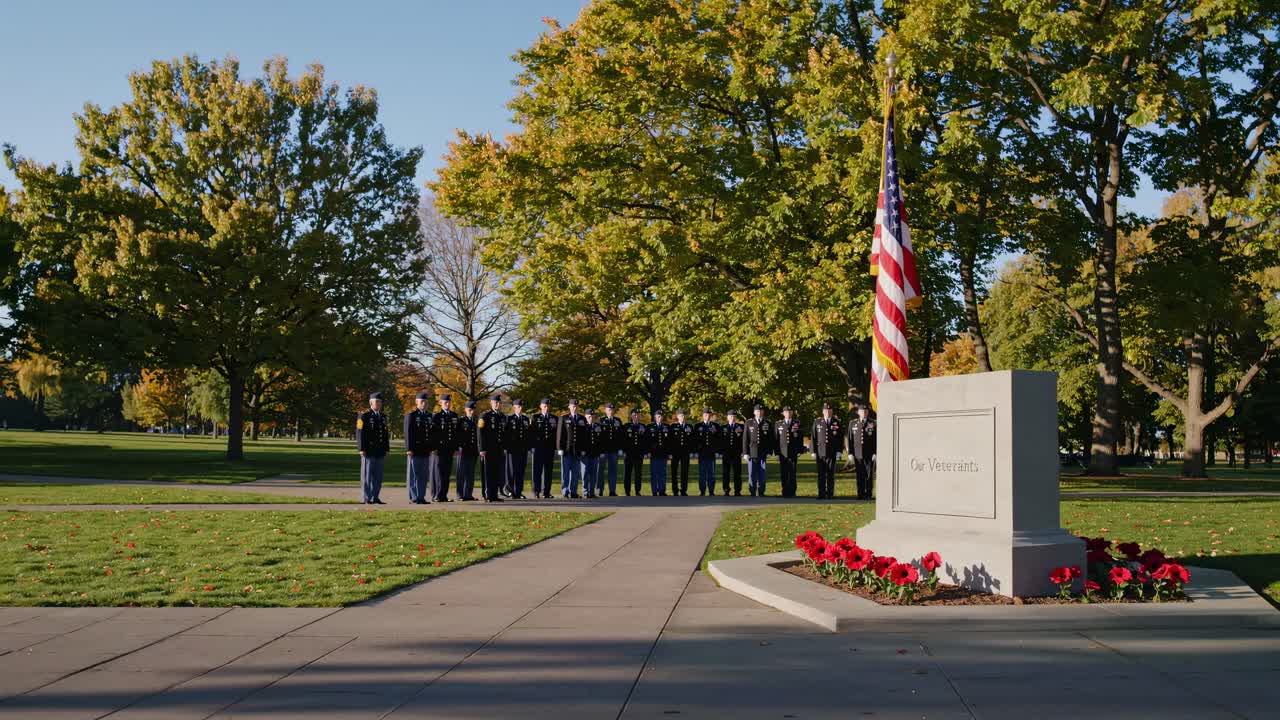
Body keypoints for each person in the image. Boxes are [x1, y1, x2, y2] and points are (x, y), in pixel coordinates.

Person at [355, 392, 390, 504]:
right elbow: (359, 433)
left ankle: (375, 497)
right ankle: (366, 497)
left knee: (378, 477)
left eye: (380, 402)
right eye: (376, 401)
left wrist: (386, 449)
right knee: (367, 476)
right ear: (370, 403)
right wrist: (361, 448)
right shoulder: (364, 416)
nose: (379, 404)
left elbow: (385, 435)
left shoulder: (383, 417)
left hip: (379, 451)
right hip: (368, 450)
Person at [403, 392, 433, 504]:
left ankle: (421, 496)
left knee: (423, 476)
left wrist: (431, 447)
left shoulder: (429, 416)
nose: (424, 403)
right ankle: (414, 497)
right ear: (417, 402)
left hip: (425, 450)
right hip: (414, 450)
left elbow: (431, 434)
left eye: (426, 401)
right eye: (422, 401)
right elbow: (408, 433)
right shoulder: (411, 415)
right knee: (414, 475)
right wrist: (409, 449)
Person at [557, 398, 589, 498]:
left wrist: (584, 449)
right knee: (566, 473)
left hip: (577, 450)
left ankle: (573, 491)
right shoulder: (564, 418)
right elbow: (560, 435)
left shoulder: (582, 419)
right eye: (572, 406)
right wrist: (559, 448)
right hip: (566, 450)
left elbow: (584, 436)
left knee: (575, 473)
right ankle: (565, 491)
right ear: (569, 407)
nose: (574, 408)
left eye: (576, 406)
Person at [478, 394, 506, 502]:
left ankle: (494, 495)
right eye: (495, 402)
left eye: (499, 403)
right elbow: (480, 433)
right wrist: (481, 449)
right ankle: (487, 495)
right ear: (491, 403)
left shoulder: (502, 416)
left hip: (498, 449)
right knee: (488, 473)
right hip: (488, 449)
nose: (497, 404)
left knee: (496, 472)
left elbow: (503, 434)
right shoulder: (485, 416)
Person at [811, 402, 842, 500]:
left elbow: (840, 438)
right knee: (821, 475)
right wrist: (813, 451)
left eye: (829, 410)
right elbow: (813, 438)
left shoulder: (837, 422)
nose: (827, 412)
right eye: (825, 410)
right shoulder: (817, 422)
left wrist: (839, 451)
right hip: (820, 453)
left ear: (832, 411)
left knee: (830, 474)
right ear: (823, 411)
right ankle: (821, 494)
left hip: (832, 452)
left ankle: (830, 494)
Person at [431, 394, 459, 502]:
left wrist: (456, 448)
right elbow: (434, 434)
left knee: (447, 473)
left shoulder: (454, 416)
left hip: (450, 449)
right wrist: (434, 447)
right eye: (445, 402)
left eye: (449, 402)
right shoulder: (437, 416)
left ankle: (444, 495)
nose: (447, 404)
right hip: (440, 449)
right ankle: (437, 494)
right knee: (439, 473)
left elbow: (456, 434)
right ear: (441, 403)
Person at [503, 398, 531, 499]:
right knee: (511, 470)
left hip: (522, 449)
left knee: (520, 471)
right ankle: (510, 490)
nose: (520, 408)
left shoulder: (526, 419)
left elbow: (528, 435)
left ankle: (518, 491)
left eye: (521, 406)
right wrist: (505, 447)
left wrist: (528, 447)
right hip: (512, 449)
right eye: (518, 407)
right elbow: (505, 434)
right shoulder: (509, 419)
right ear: (514, 408)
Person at [848, 403, 876, 500]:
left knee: (869, 475)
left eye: (866, 411)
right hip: (857, 453)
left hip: (869, 453)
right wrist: (850, 453)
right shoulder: (852, 423)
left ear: (867, 412)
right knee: (860, 474)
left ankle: (868, 494)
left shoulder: (873, 423)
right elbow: (850, 440)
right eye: (862, 411)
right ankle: (860, 493)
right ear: (858, 412)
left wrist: (875, 453)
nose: (864, 412)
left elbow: (876, 439)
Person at [744, 404, 773, 497]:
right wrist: (745, 453)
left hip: (763, 452)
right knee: (752, 473)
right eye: (757, 411)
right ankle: (752, 491)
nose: (759, 412)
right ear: (754, 412)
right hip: (752, 453)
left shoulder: (767, 423)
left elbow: (770, 439)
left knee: (762, 473)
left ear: (763, 412)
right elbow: (745, 439)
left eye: (760, 411)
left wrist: (769, 451)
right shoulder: (748, 423)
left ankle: (761, 491)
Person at [531, 398, 558, 499]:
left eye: (548, 406)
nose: (546, 408)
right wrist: (532, 446)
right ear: (540, 406)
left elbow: (556, 434)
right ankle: (536, 491)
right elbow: (532, 433)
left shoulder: (554, 418)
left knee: (548, 471)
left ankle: (546, 492)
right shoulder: (535, 417)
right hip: (538, 448)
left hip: (549, 448)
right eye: (544, 406)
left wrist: (556, 447)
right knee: (537, 470)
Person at [775, 406, 804, 498]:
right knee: (783, 473)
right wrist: (776, 452)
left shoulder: (797, 423)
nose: (788, 413)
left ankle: (792, 491)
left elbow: (800, 438)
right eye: (786, 412)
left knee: (792, 473)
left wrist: (800, 450)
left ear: (792, 413)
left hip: (793, 452)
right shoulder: (778, 424)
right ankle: (785, 491)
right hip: (782, 453)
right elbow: (776, 440)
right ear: (783, 413)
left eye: (789, 412)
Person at [597, 402, 623, 496]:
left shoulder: (618, 421)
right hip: (603, 451)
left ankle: (612, 490)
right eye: (609, 409)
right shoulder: (601, 420)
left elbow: (621, 436)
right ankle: (600, 490)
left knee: (613, 471)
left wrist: (620, 448)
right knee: (600, 471)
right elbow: (598, 437)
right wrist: (600, 451)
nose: (610, 411)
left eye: (612, 410)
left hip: (614, 450)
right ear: (605, 410)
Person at [456, 400, 480, 501]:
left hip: (473, 451)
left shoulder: (476, 421)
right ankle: (460, 495)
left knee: (470, 474)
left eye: (473, 410)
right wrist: (458, 447)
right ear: (465, 410)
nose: (472, 412)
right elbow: (457, 435)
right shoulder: (461, 421)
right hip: (463, 451)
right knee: (461, 474)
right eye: (470, 410)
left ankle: (468, 494)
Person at [693, 408, 720, 496]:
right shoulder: (697, 426)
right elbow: (695, 440)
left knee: (711, 474)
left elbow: (718, 439)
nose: (707, 416)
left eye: (708, 415)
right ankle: (702, 491)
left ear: (710, 416)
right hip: (702, 453)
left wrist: (715, 433)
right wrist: (696, 451)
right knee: (702, 474)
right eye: (705, 415)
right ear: (703, 416)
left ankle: (711, 491)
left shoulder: (715, 426)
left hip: (711, 453)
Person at [622, 408, 648, 496]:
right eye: (634, 415)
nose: (636, 416)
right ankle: (627, 491)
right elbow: (623, 440)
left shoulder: (643, 426)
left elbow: (645, 441)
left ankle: (637, 491)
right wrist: (624, 451)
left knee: (638, 474)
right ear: (631, 416)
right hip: (629, 453)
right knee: (627, 473)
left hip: (639, 454)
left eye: (638, 415)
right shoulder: (626, 426)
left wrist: (644, 452)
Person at [669, 408, 694, 496]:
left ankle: (684, 490)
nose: (682, 417)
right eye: (680, 415)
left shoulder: (689, 427)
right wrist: (670, 453)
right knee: (674, 472)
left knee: (685, 472)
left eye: (683, 415)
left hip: (685, 453)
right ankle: (675, 490)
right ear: (677, 416)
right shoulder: (673, 427)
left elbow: (692, 441)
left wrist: (691, 451)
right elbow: (670, 441)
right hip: (675, 453)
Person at [721, 409, 745, 496]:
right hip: (726, 453)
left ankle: (737, 490)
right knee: (726, 473)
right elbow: (720, 441)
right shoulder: (723, 427)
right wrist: (721, 451)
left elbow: (743, 440)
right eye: (730, 416)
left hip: (736, 453)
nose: (732, 418)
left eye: (734, 416)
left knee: (737, 473)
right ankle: (726, 490)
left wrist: (743, 451)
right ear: (727, 417)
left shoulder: (741, 427)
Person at [648, 409, 670, 496]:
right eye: (658, 416)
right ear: (655, 417)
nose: (660, 418)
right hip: (654, 454)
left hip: (663, 454)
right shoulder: (650, 427)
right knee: (654, 473)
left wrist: (668, 453)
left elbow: (669, 441)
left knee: (663, 473)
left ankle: (662, 490)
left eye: (661, 416)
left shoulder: (666, 427)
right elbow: (647, 441)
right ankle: (654, 491)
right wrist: (648, 452)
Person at [582, 407, 601, 498]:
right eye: (589, 416)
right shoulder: (583, 427)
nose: (591, 418)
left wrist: (600, 452)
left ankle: (592, 492)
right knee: (585, 474)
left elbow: (601, 441)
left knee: (593, 474)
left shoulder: (598, 427)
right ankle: (585, 492)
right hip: (585, 454)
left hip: (595, 454)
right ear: (585, 416)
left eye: (592, 416)